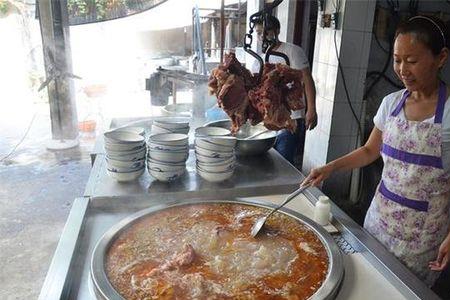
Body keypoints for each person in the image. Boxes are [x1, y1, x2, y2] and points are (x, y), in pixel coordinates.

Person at [303, 15, 450, 287]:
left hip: (422, 238)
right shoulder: (391, 103)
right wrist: (330, 167)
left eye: (412, 61)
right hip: (379, 221)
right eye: (397, 60)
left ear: (440, 58)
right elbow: (370, 150)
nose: (403, 69)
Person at [251, 16, 317, 166]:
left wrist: (311, 109)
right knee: (267, 162)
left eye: (266, 32)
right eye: (259, 32)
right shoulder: (259, 59)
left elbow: (307, 79)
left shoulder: (292, 51)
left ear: (277, 31)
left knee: (284, 162)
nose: (262, 36)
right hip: (266, 121)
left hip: (290, 119)